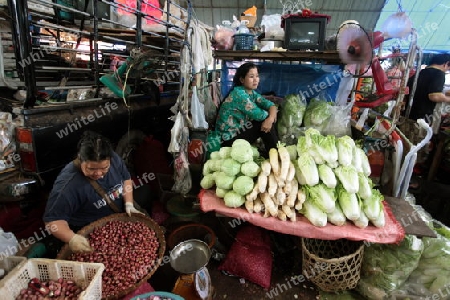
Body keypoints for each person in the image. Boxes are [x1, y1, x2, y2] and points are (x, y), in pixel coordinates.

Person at [43, 131, 143, 254]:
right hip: (90, 232)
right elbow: (53, 221)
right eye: (91, 169)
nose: (99, 174)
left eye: (104, 168)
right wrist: (72, 238)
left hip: (117, 220)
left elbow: (126, 179)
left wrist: (129, 204)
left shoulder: (113, 158)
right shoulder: (68, 185)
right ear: (81, 159)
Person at [215, 62, 279, 154]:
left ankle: (274, 154)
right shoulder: (239, 94)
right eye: (251, 76)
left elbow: (271, 105)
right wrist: (270, 117)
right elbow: (261, 115)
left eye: (257, 76)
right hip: (227, 140)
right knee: (264, 121)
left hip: (239, 132)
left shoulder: (251, 93)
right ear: (242, 79)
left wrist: (271, 117)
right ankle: (276, 154)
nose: (255, 80)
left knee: (269, 119)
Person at [408, 53, 450, 122]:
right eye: (448, 68)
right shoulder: (439, 73)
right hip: (422, 116)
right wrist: (448, 99)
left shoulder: (421, 72)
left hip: (409, 112)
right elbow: (434, 96)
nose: (446, 70)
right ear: (446, 64)